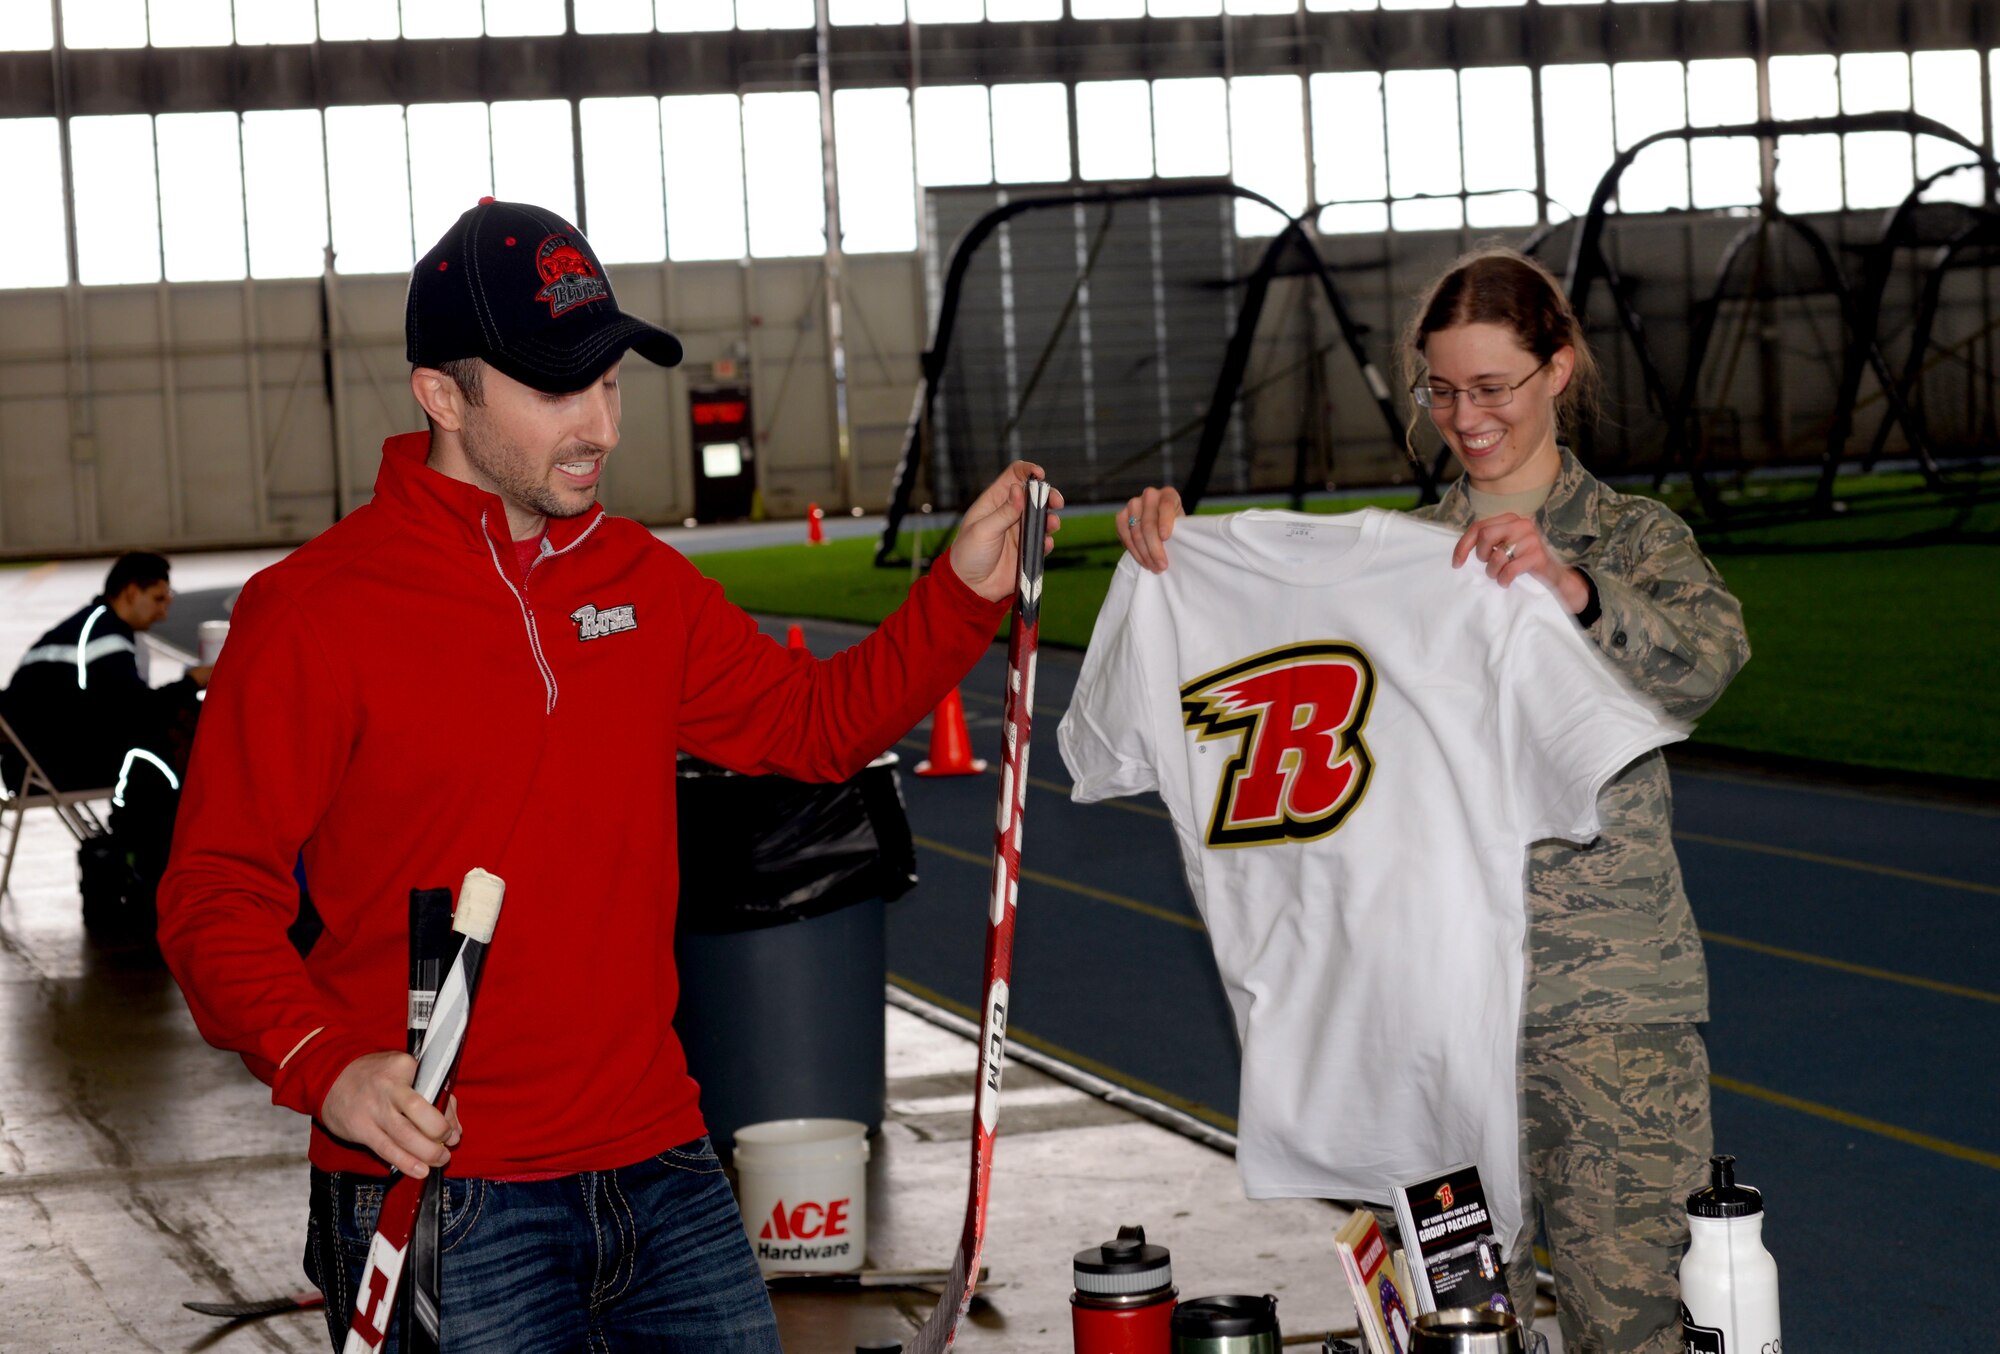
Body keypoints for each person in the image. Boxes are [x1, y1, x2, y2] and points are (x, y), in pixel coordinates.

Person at [154, 198, 1061, 1353]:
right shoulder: (313, 615)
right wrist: (324, 1065)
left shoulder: (637, 576)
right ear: (443, 393)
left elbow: (811, 724)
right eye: (553, 390)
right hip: (440, 1191)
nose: (599, 424)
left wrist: (961, 590)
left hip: (662, 1165)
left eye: (611, 382)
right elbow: (212, 895)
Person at [1115, 247, 1748, 1354]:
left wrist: (1569, 587)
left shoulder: (1632, 538)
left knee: (1637, 1321)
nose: (1465, 415)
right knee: (1452, 1322)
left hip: (1604, 1018)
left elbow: (1704, 663)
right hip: (1430, 1018)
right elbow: (1288, 677)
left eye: (1491, 385)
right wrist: (1174, 558)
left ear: (1556, 369)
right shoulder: (1402, 560)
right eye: (1441, 390)